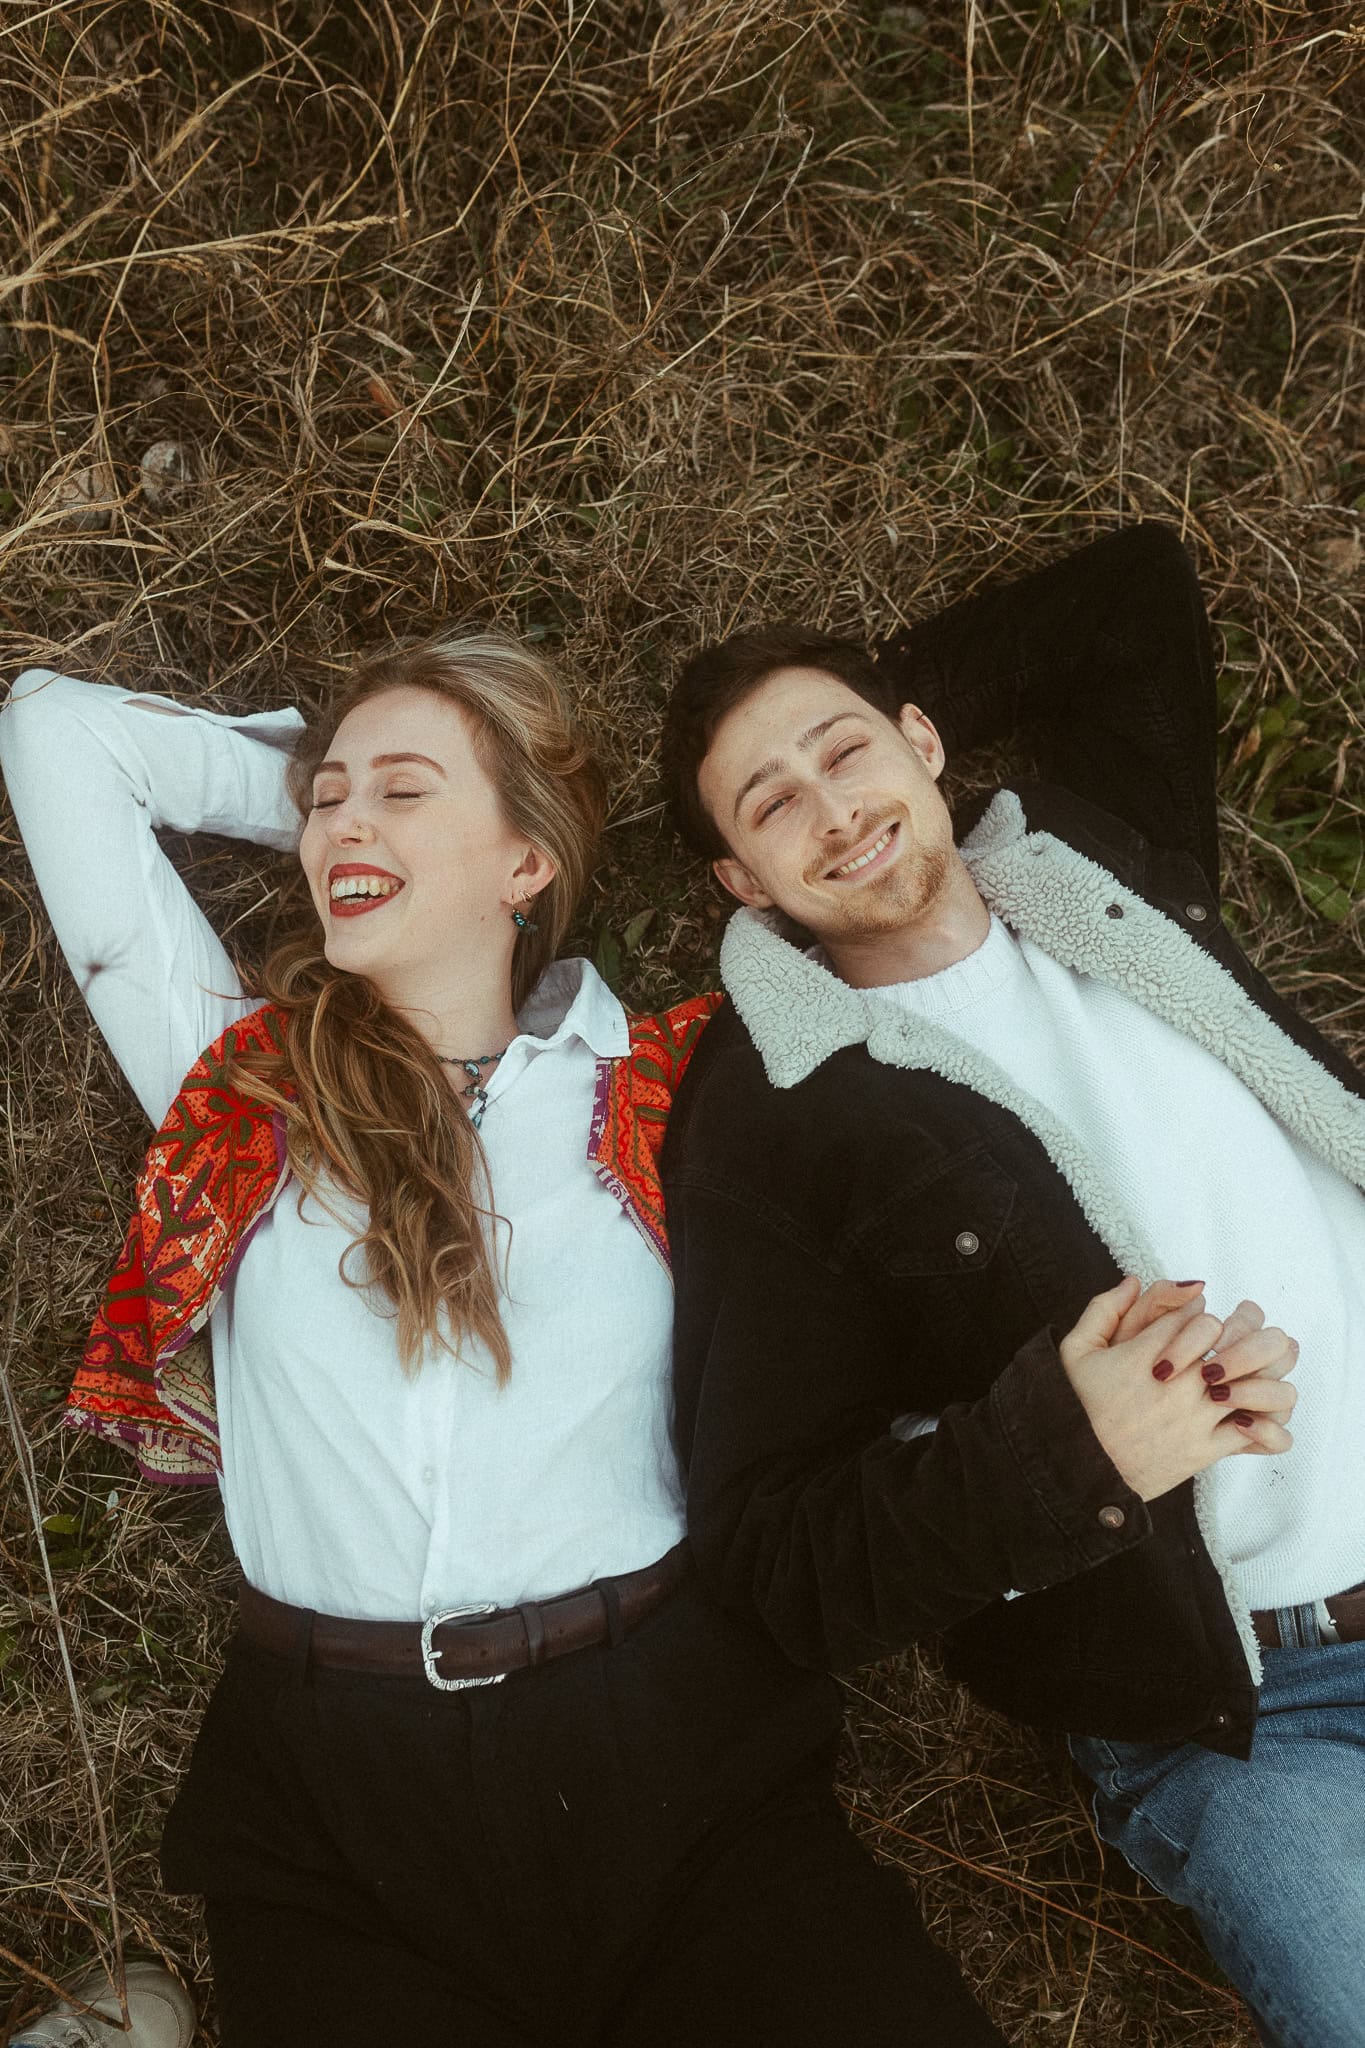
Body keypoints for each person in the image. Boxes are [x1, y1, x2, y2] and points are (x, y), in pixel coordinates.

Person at [0, 635, 1007, 2048]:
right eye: (327, 798)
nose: (343, 820)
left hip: (682, 1764)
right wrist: (332, 794)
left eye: (403, 792)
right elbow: (58, 732)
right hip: (338, 1804)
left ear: (527, 863)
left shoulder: (685, 1088)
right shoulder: (237, 1088)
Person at [657, 522, 1365, 2048]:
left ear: (926, 740)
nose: (830, 812)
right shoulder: (773, 1117)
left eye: (848, 755)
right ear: (738, 878)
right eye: (770, 805)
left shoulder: (1097, 847)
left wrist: (849, 717)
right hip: (1245, 1715)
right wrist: (1067, 1451)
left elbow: (1135, 595)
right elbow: (774, 1553)